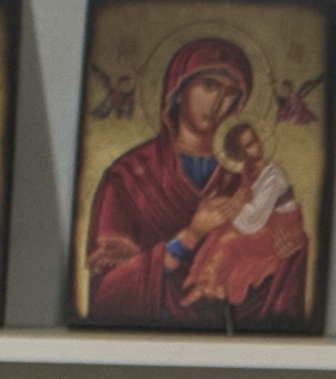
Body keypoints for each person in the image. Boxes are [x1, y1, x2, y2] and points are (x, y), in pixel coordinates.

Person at [87, 31, 316, 325]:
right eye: (209, 86)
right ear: (178, 91)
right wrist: (192, 234)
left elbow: (282, 259)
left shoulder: (247, 176)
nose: (218, 102)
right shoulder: (129, 177)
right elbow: (107, 291)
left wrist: (289, 249)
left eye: (231, 93)